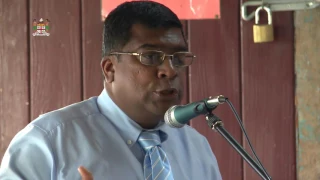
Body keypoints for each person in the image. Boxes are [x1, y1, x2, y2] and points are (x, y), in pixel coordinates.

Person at [0, 1, 222, 180]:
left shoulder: (196, 147)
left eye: (178, 58)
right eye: (150, 57)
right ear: (109, 69)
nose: (169, 71)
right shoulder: (47, 143)